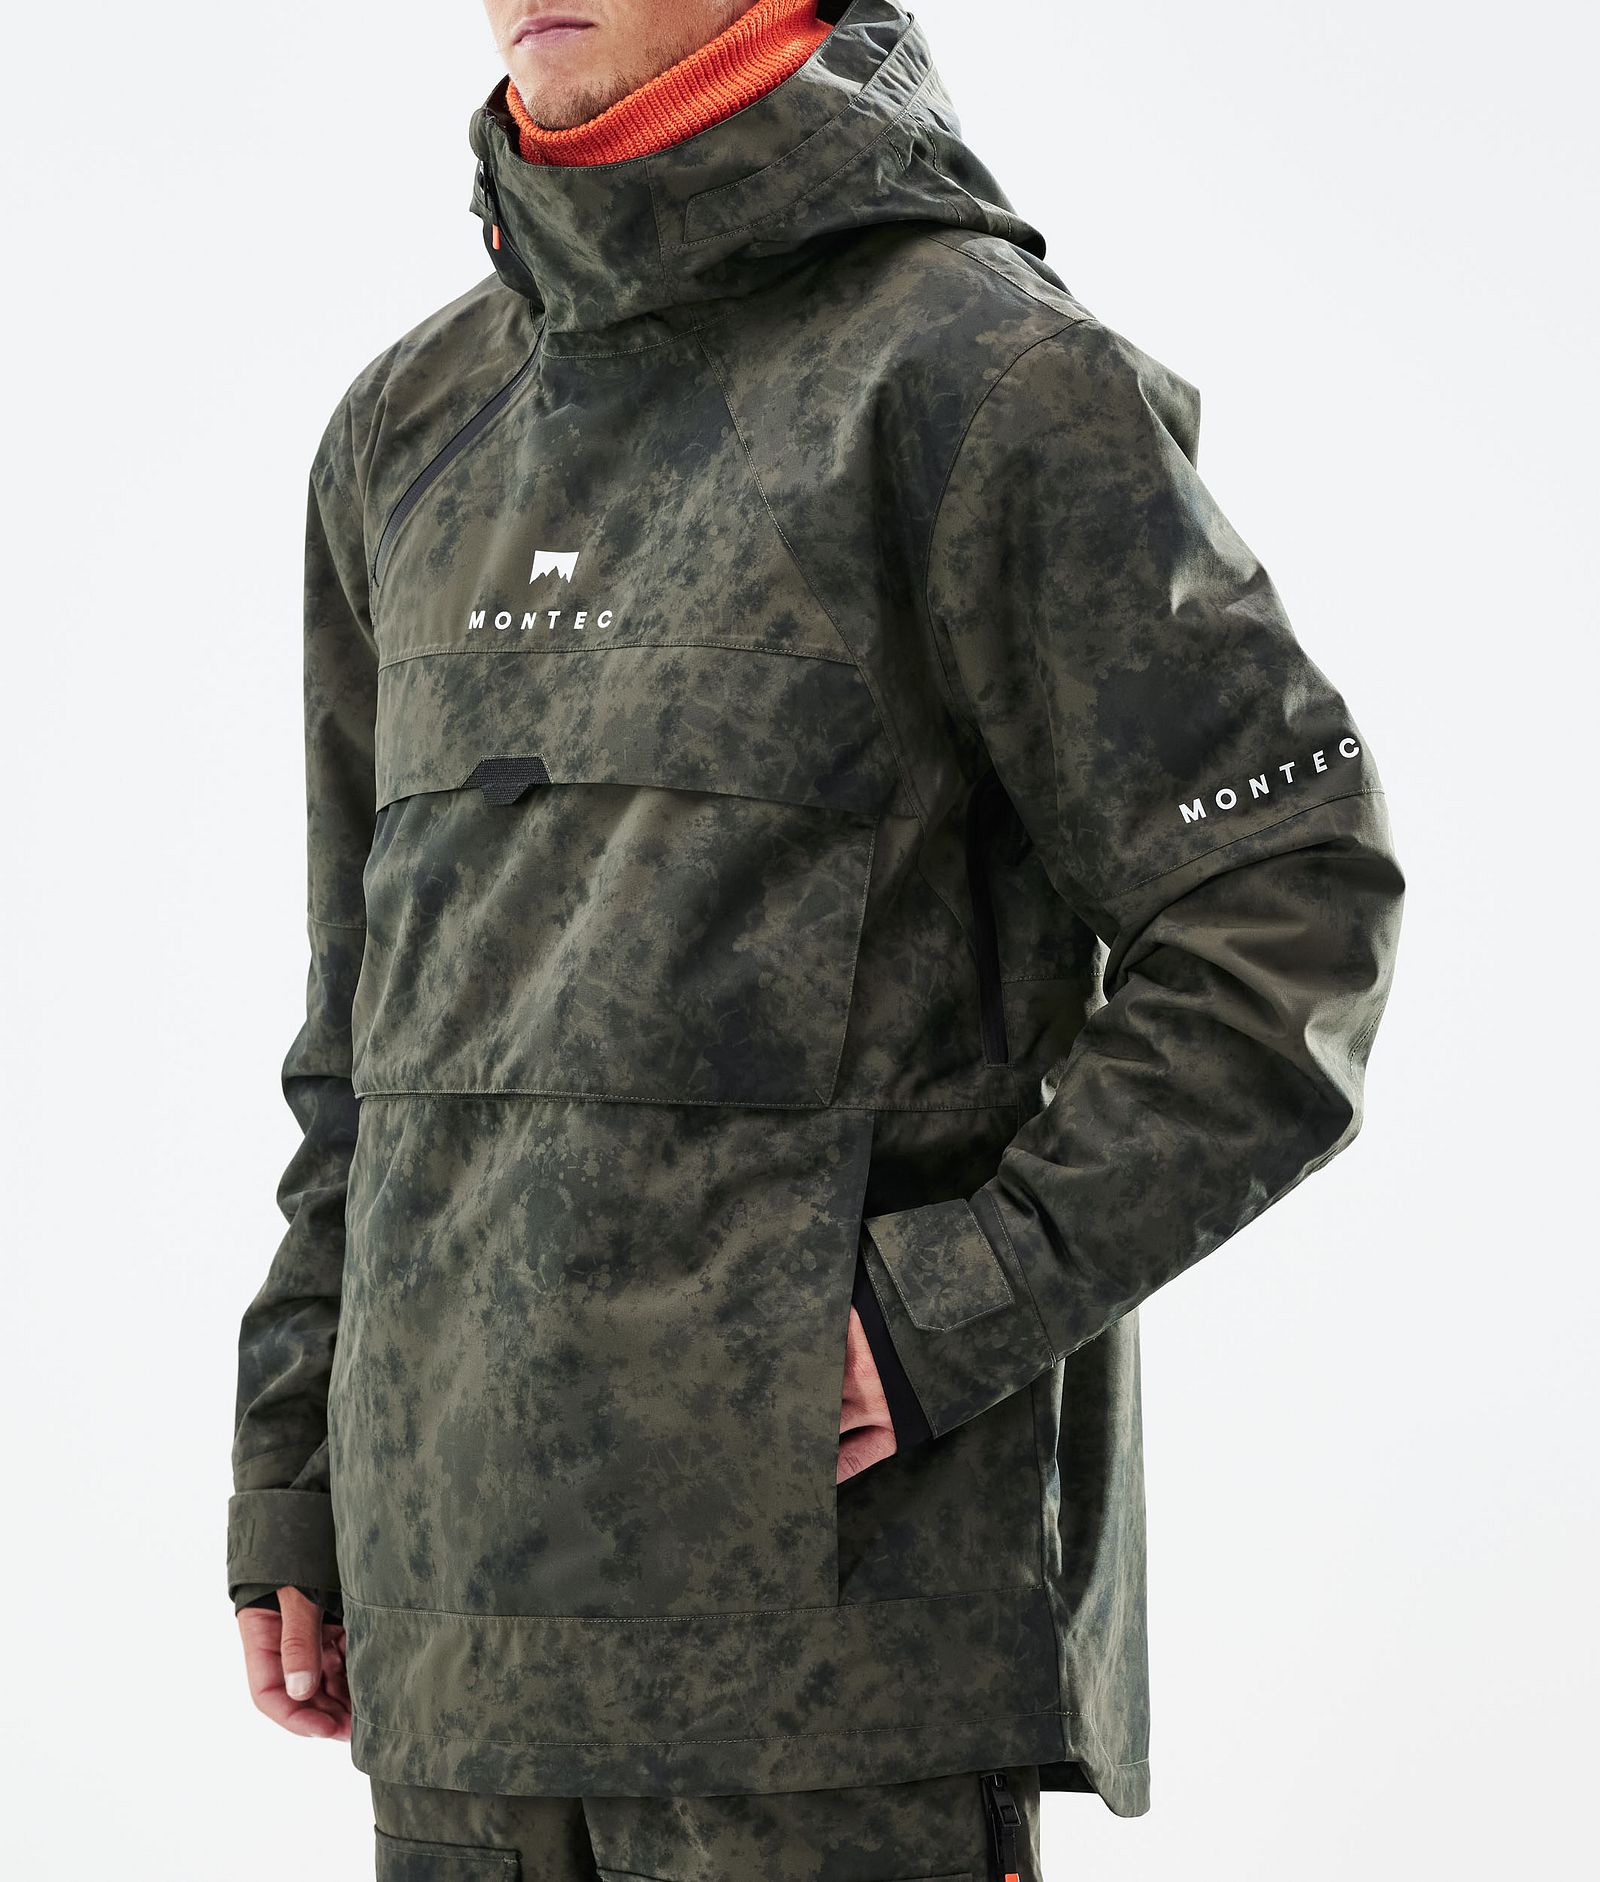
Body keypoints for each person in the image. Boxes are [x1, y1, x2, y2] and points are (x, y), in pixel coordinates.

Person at [227, 3, 1407, 1875]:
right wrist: (295, 1460)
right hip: (452, 1671)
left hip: (838, 1693)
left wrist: (952, 1305)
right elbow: (361, 1017)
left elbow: (1287, 908)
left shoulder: (982, 381)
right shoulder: (409, 431)